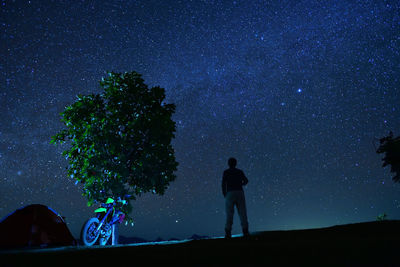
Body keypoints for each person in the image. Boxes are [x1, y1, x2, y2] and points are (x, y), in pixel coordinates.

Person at [222, 157, 249, 238]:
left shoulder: (226, 172)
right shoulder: (239, 171)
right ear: (235, 163)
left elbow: (223, 183)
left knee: (229, 213)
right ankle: (245, 231)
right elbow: (246, 181)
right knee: (242, 213)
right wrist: (241, 184)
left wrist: (224, 194)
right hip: (239, 192)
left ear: (228, 163)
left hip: (230, 193)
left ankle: (228, 232)